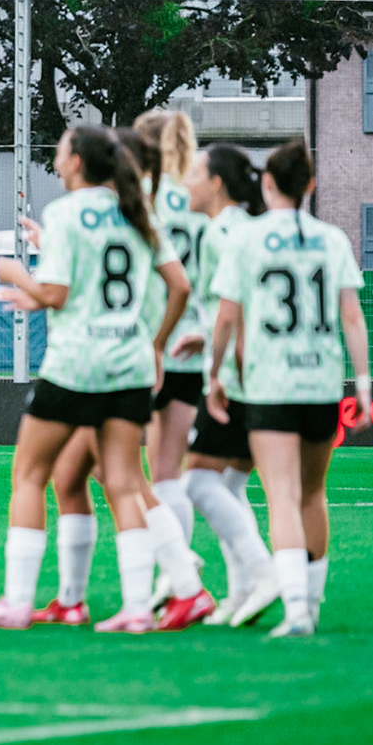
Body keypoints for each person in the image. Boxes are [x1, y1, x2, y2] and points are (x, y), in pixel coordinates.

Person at [0, 124, 211, 634]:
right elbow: (180, 285)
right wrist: (154, 343)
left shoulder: (64, 213)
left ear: (77, 160)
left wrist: (16, 277)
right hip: (128, 363)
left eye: (61, 152)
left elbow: (57, 295)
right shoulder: (137, 211)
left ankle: (17, 603)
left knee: (30, 476)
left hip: (76, 364)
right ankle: (138, 607)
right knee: (124, 482)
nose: (56, 160)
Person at [207, 139, 369, 637]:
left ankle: (296, 609)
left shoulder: (247, 238)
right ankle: (311, 606)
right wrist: (362, 383)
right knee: (313, 494)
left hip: (270, 382)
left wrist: (215, 376)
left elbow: (227, 317)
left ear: (267, 183)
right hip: (321, 380)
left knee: (280, 495)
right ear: (311, 186)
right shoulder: (332, 238)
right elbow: (351, 316)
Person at [173, 144, 278, 626]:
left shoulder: (219, 232)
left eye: (194, 173)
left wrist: (220, 372)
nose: (186, 181)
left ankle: (264, 573)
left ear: (216, 183)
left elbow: (237, 309)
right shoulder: (251, 228)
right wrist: (205, 332)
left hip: (238, 377)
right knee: (230, 485)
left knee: (196, 479)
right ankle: (241, 593)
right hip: (264, 370)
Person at [135, 110, 206, 558]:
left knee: (121, 467)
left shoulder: (142, 197)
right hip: (192, 344)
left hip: (146, 341)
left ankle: (175, 566)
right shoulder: (198, 199)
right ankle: (177, 572)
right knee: (167, 471)